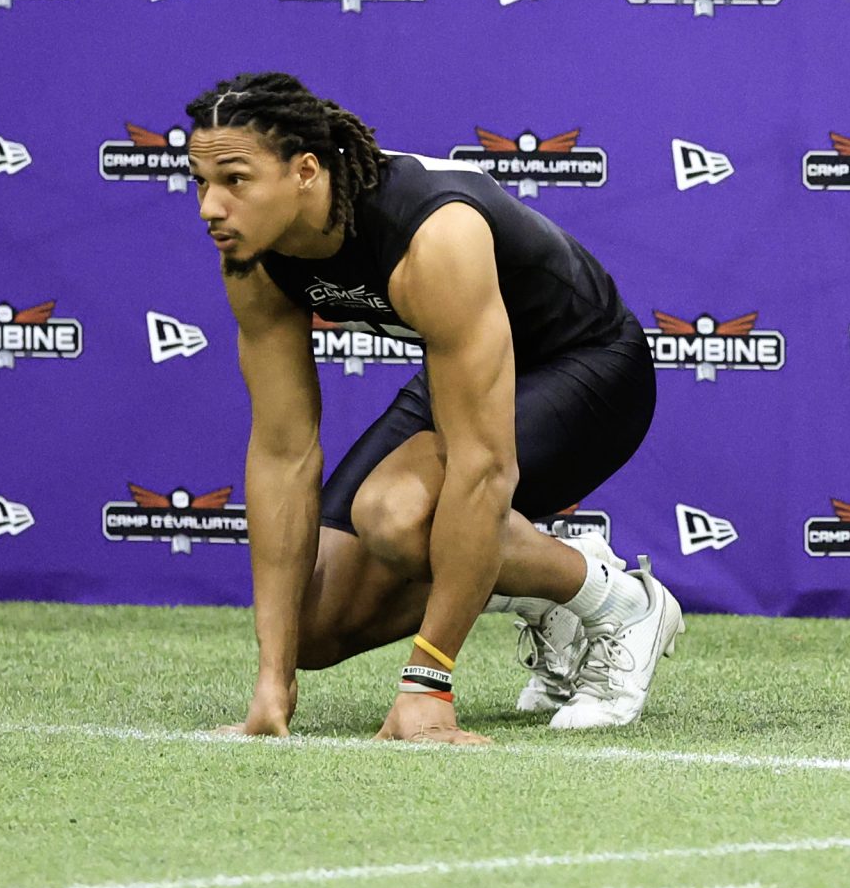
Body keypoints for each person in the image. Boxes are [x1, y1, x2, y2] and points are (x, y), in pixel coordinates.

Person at [183, 71, 680, 745]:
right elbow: (283, 451)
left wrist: (429, 682)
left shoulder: (434, 233)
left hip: (589, 366)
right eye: (200, 182)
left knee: (396, 513)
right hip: (466, 372)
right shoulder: (254, 258)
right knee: (308, 627)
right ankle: (540, 579)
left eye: (234, 181)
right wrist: (273, 680)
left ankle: (619, 603)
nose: (211, 206)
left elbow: (483, 465)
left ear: (305, 171)